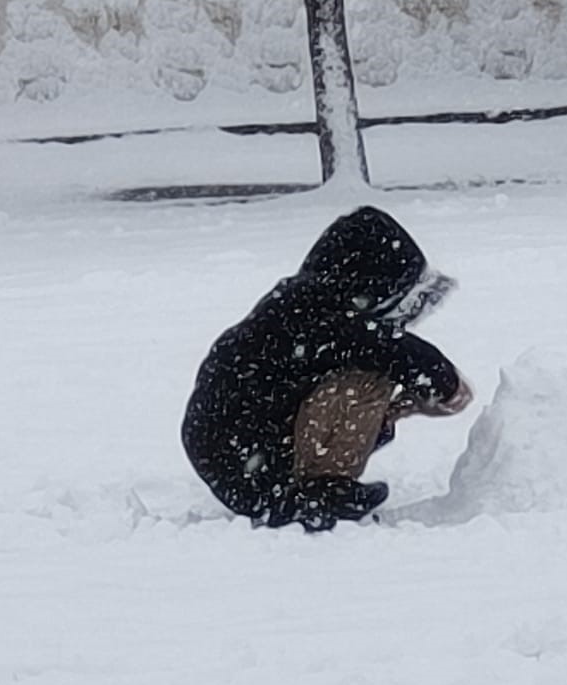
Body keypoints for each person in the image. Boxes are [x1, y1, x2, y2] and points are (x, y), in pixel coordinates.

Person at [182, 206, 472, 530]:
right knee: (369, 380)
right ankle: (317, 491)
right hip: (246, 459)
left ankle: (303, 487)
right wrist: (444, 383)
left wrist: (395, 412)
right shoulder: (317, 314)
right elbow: (389, 348)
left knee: (369, 372)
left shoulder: (301, 306)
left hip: (234, 457)